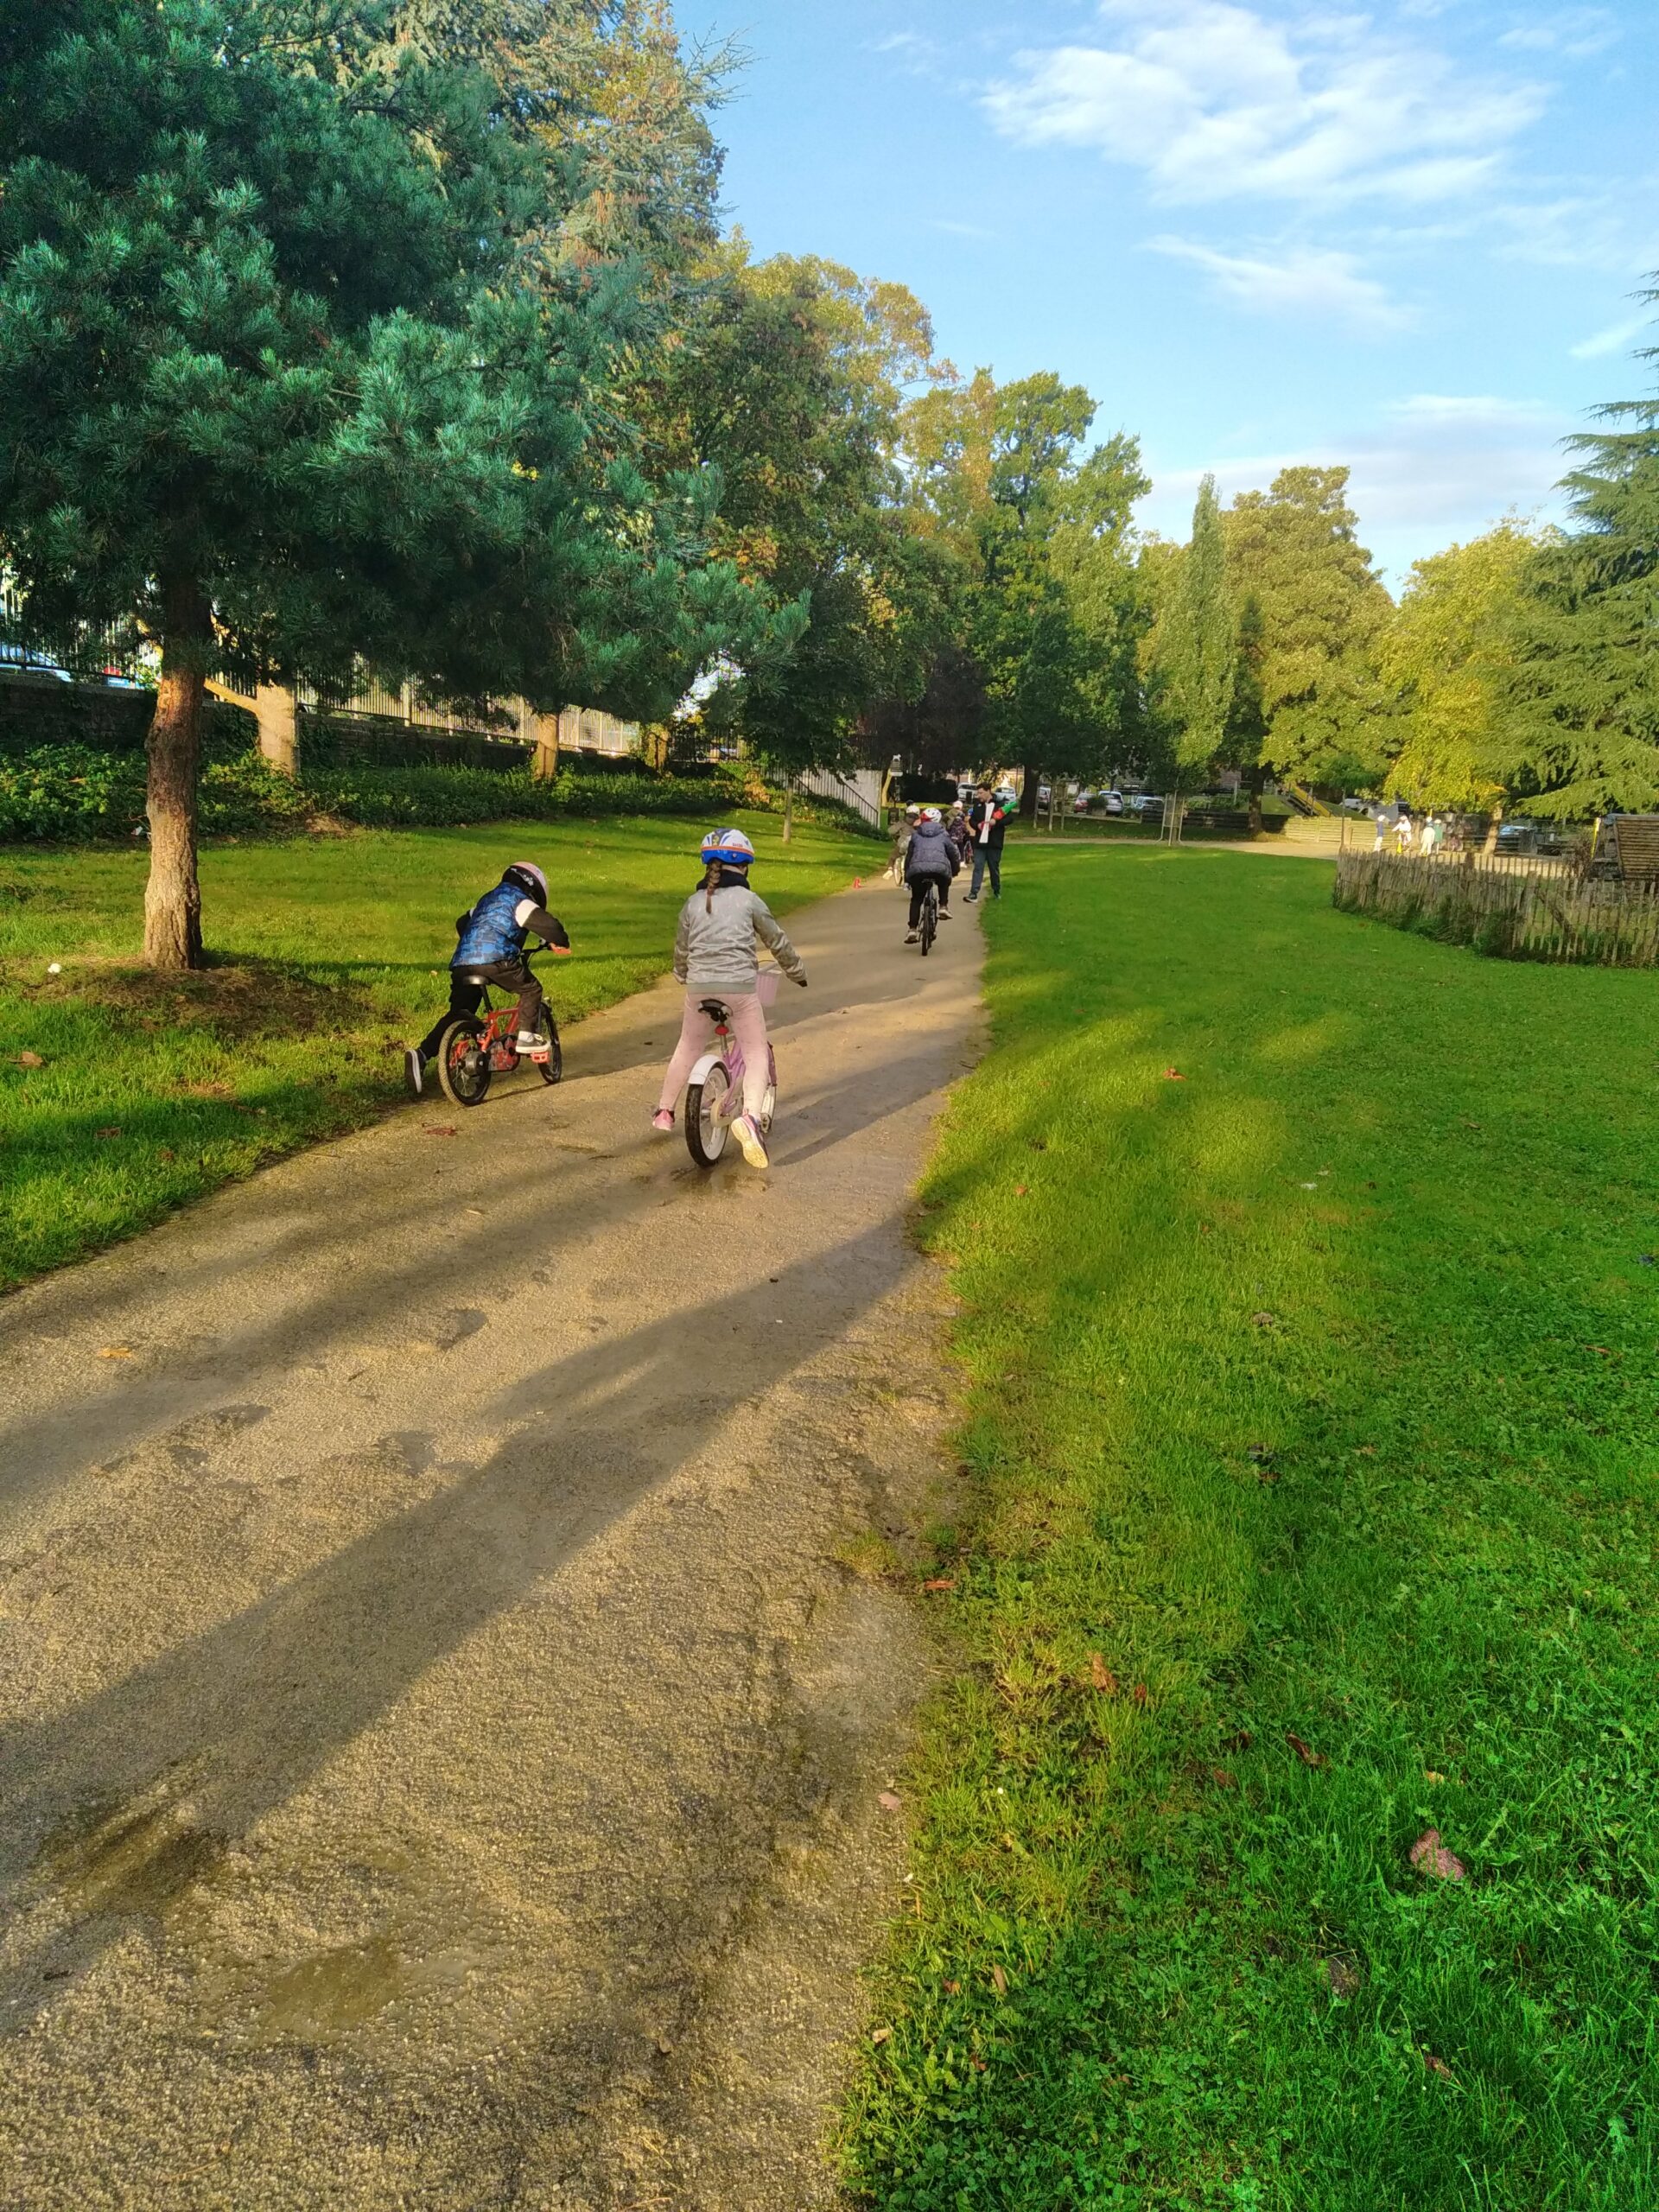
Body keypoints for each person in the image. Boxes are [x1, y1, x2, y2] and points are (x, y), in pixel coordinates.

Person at [653, 828, 806, 1170]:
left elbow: (681, 947)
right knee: (755, 1053)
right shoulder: (750, 902)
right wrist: (797, 972)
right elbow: (776, 941)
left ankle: (665, 1110)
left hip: (698, 989)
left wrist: (683, 975)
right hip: (738, 989)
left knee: (687, 1047)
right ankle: (751, 1118)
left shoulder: (693, 903)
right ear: (745, 867)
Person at [405, 860, 569, 1095]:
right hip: (495, 960)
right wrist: (560, 941)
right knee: (531, 989)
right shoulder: (519, 901)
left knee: (460, 1013)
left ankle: (421, 1055)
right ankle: (526, 1037)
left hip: (463, 963)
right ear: (534, 888)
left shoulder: (487, 900)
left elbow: (462, 923)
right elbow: (550, 926)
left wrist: (476, 943)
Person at [904, 805, 960, 940]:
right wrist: (955, 870)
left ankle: (912, 929)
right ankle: (943, 906)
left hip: (917, 871)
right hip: (939, 869)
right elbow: (953, 854)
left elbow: (909, 856)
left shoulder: (916, 835)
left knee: (916, 899)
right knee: (944, 881)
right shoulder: (944, 835)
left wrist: (907, 877)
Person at [966, 783, 1009, 900]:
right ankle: (974, 892)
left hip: (994, 843)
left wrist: (997, 822)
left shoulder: (1000, 804)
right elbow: (972, 821)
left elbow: (1010, 819)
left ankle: (996, 890)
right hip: (980, 842)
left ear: (988, 791)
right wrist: (977, 825)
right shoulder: (977, 805)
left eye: (981, 793)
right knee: (978, 867)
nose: (978, 795)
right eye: (978, 793)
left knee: (993, 867)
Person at [887, 803, 921, 884]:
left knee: (892, 856)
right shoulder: (919, 824)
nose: (911, 819)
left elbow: (891, 831)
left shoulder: (902, 823)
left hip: (903, 845)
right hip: (916, 846)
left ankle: (890, 869)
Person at [946, 800, 973, 867]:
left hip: (951, 836)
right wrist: (967, 832)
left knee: (949, 848)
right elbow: (965, 829)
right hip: (959, 837)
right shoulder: (961, 821)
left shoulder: (949, 815)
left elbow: (948, 826)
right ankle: (962, 861)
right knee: (961, 849)